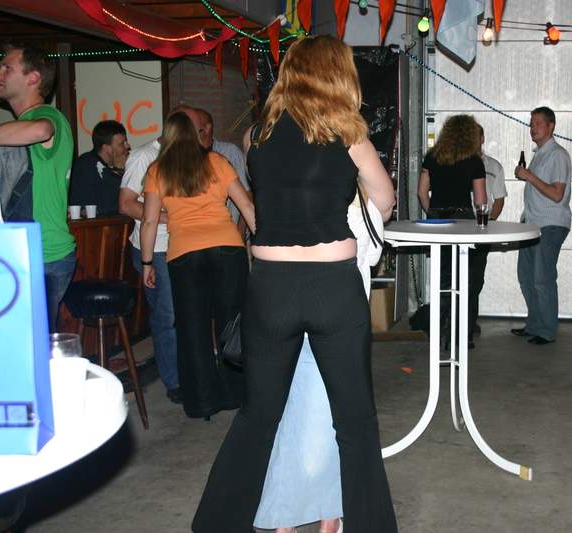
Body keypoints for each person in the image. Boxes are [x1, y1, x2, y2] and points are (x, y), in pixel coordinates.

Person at [193, 35, 397, 533]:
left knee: (258, 415)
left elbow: (266, 201)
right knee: (354, 421)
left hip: (272, 286)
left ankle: (217, 524)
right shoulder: (348, 132)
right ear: (338, 74)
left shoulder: (255, 135)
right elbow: (385, 200)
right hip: (333, 285)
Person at [254, 193, 385, 533]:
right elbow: (372, 254)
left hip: (288, 312)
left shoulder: (291, 199)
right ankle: (321, 516)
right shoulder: (363, 208)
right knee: (330, 419)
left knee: (296, 415)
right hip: (340, 318)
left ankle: (297, 516)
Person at [139, 110, 255, 420]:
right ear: (195, 134)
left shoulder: (157, 170)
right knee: (232, 323)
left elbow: (149, 221)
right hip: (227, 249)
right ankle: (235, 394)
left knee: (193, 328)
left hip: (184, 255)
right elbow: (245, 204)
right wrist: (263, 243)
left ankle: (202, 401)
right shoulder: (217, 162)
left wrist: (147, 262)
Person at [119, 104, 202, 404]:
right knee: (168, 315)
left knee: (187, 313)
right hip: (154, 249)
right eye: (195, 129)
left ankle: (188, 372)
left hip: (183, 246)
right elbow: (126, 204)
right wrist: (168, 216)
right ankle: (174, 380)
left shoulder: (188, 159)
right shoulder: (144, 156)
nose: (199, 135)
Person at [0, 43, 75, 332]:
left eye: (7, 68)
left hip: (42, 254)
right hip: (27, 252)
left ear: (33, 78)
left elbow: (41, 131)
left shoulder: (49, 118)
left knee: (28, 345)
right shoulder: (19, 126)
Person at [417, 114, 488, 347]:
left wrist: (433, 213)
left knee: (443, 277)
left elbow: (421, 193)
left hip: (438, 220)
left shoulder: (432, 157)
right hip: (464, 221)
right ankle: (460, 334)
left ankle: (439, 328)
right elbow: (480, 201)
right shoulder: (474, 161)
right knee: (465, 279)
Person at [510, 106, 572, 345]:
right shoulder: (540, 155)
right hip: (532, 225)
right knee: (526, 277)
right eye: (531, 124)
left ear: (551, 126)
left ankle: (547, 331)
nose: (532, 128)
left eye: (537, 123)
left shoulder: (558, 155)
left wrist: (529, 176)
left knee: (542, 279)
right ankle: (535, 325)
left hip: (550, 225)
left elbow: (557, 194)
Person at [471, 125, 507, 336]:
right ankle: (454, 320)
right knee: (456, 275)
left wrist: (489, 222)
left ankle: (470, 320)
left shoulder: (494, 166)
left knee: (476, 277)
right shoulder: (456, 164)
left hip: (483, 228)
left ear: (482, 139)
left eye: (475, 137)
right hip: (460, 226)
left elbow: (499, 199)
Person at [196, 108, 250, 225]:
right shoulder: (187, 156)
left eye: (193, 125)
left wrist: (240, 230)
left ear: (207, 128)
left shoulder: (230, 152)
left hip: (227, 228)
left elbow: (247, 194)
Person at [69, 120, 130, 214]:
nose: (128, 146)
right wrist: (118, 172)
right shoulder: (85, 165)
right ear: (106, 148)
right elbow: (107, 205)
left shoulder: (121, 164)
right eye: (122, 143)